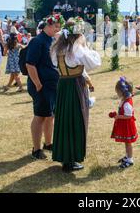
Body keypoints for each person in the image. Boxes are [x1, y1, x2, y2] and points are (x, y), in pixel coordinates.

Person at [51, 18, 102, 172]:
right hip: (75, 87)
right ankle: (71, 159)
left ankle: (66, 158)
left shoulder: (57, 49)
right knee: (76, 120)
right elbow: (95, 62)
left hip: (63, 85)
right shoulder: (76, 49)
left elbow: (55, 64)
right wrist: (85, 45)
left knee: (64, 121)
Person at [26, 15, 64, 160]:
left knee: (50, 116)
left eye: (59, 27)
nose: (58, 29)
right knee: (40, 116)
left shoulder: (52, 40)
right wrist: (38, 84)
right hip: (41, 86)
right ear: (48, 26)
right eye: (55, 26)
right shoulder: (37, 41)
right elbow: (30, 64)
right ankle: (36, 149)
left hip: (52, 85)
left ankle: (48, 143)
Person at [110, 77, 137, 169]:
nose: (117, 93)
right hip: (125, 125)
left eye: (118, 92)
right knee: (126, 142)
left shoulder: (127, 103)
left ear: (123, 92)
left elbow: (129, 116)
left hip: (127, 126)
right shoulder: (124, 100)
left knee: (128, 142)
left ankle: (130, 160)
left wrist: (118, 116)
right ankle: (127, 156)